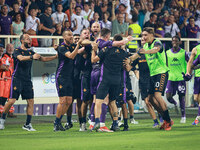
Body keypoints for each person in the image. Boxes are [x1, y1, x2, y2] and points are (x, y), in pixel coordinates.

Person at [0, 34, 58, 131]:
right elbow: (20, 58)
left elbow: (43, 59)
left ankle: (27, 124)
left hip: (27, 80)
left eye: (30, 39)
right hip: (17, 78)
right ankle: (2, 119)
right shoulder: (17, 50)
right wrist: (32, 57)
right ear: (22, 41)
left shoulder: (31, 52)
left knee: (31, 101)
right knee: (12, 101)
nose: (30, 40)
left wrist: (55, 56)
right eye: (27, 39)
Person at [125, 27, 173, 131]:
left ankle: (168, 121)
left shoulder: (157, 42)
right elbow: (135, 56)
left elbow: (156, 50)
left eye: (145, 35)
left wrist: (145, 52)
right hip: (153, 75)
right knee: (150, 98)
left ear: (152, 35)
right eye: (142, 35)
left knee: (157, 95)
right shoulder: (145, 46)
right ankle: (166, 119)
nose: (143, 37)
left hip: (161, 73)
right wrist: (127, 60)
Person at [91, 34, 133, 131]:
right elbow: (127, 68)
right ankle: (115, 123)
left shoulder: (106, 50)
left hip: (105, 79)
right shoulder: (124, 53)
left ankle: (97, 122)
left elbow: (93, 60)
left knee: (98, 101)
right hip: (117, 80)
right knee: (113, 102)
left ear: (113, 41)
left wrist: (93, 50)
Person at [54, 30, 84, 132]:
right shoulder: (62, 47)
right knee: (62, 100)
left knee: (69, 101)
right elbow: (71, 56)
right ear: (64, 37)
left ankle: (59, 121)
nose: (71, 37)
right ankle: (56, 123)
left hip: (70, 77)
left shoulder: (71, 46)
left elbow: (80, 50)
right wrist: (78, 45)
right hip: (61, 76)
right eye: (69, 35)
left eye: (72, 35)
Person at [129, 37, 161, 128]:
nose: (143, 41)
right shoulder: (139, 55)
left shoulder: (151, 53)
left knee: (155, 100)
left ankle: (161, 114)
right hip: (143, 81)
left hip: (152, 79)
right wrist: (135, 72)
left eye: (144, 40)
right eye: (142, 41)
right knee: (147, 102)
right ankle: (155, 121)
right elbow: (131, 66)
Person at [166, 36, 189, 123]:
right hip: (170, 78)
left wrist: (188, 73)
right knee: (168, 97)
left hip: (180, 78)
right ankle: (175, 104)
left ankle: (183, 116)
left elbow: (189, 63)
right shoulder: (167, 52)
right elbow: (166, 64)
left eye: (176, 41)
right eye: (173, 41)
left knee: (181, 97)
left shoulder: (183, 53)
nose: (174, 42)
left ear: (180, 42)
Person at [0, 44, 16, 118]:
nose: (10, 49)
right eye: (8, 48)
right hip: (5, 79)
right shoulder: (5, 57)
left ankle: (10, 111)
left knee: (11, 96)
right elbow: (3, 67)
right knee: (3, 96)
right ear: (6, 49)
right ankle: (2, 112)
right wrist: (7, 67)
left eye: (11, 48)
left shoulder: (13, 57)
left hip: (11, 79)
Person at [186, 44, 200, 125]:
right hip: (197, 77)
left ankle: (197, 117)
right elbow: (191, 63)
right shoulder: (196, 49)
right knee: (195, 98)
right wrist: (188, 73)